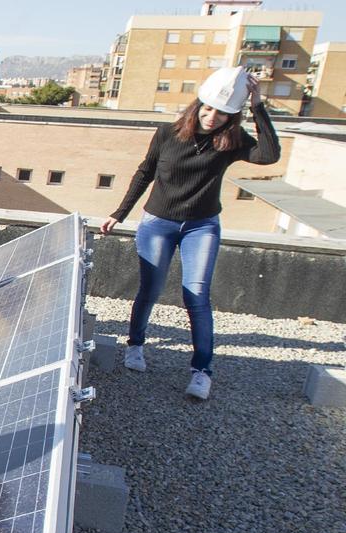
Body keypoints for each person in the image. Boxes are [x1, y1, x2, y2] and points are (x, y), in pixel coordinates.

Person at [100, 66, 280, 400]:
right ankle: (135, 345)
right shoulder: (167, 133)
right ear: (197, 105)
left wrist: (258, 105)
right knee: (150, 290)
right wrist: (119, 214)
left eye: (224, 113)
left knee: (196, 296)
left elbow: (269, 156)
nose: (213, 117)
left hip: (202, 225)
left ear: (232, 117)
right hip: (158, 223)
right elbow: (145, 173)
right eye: (209, 109)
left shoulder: (231, 142)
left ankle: (201, 371)